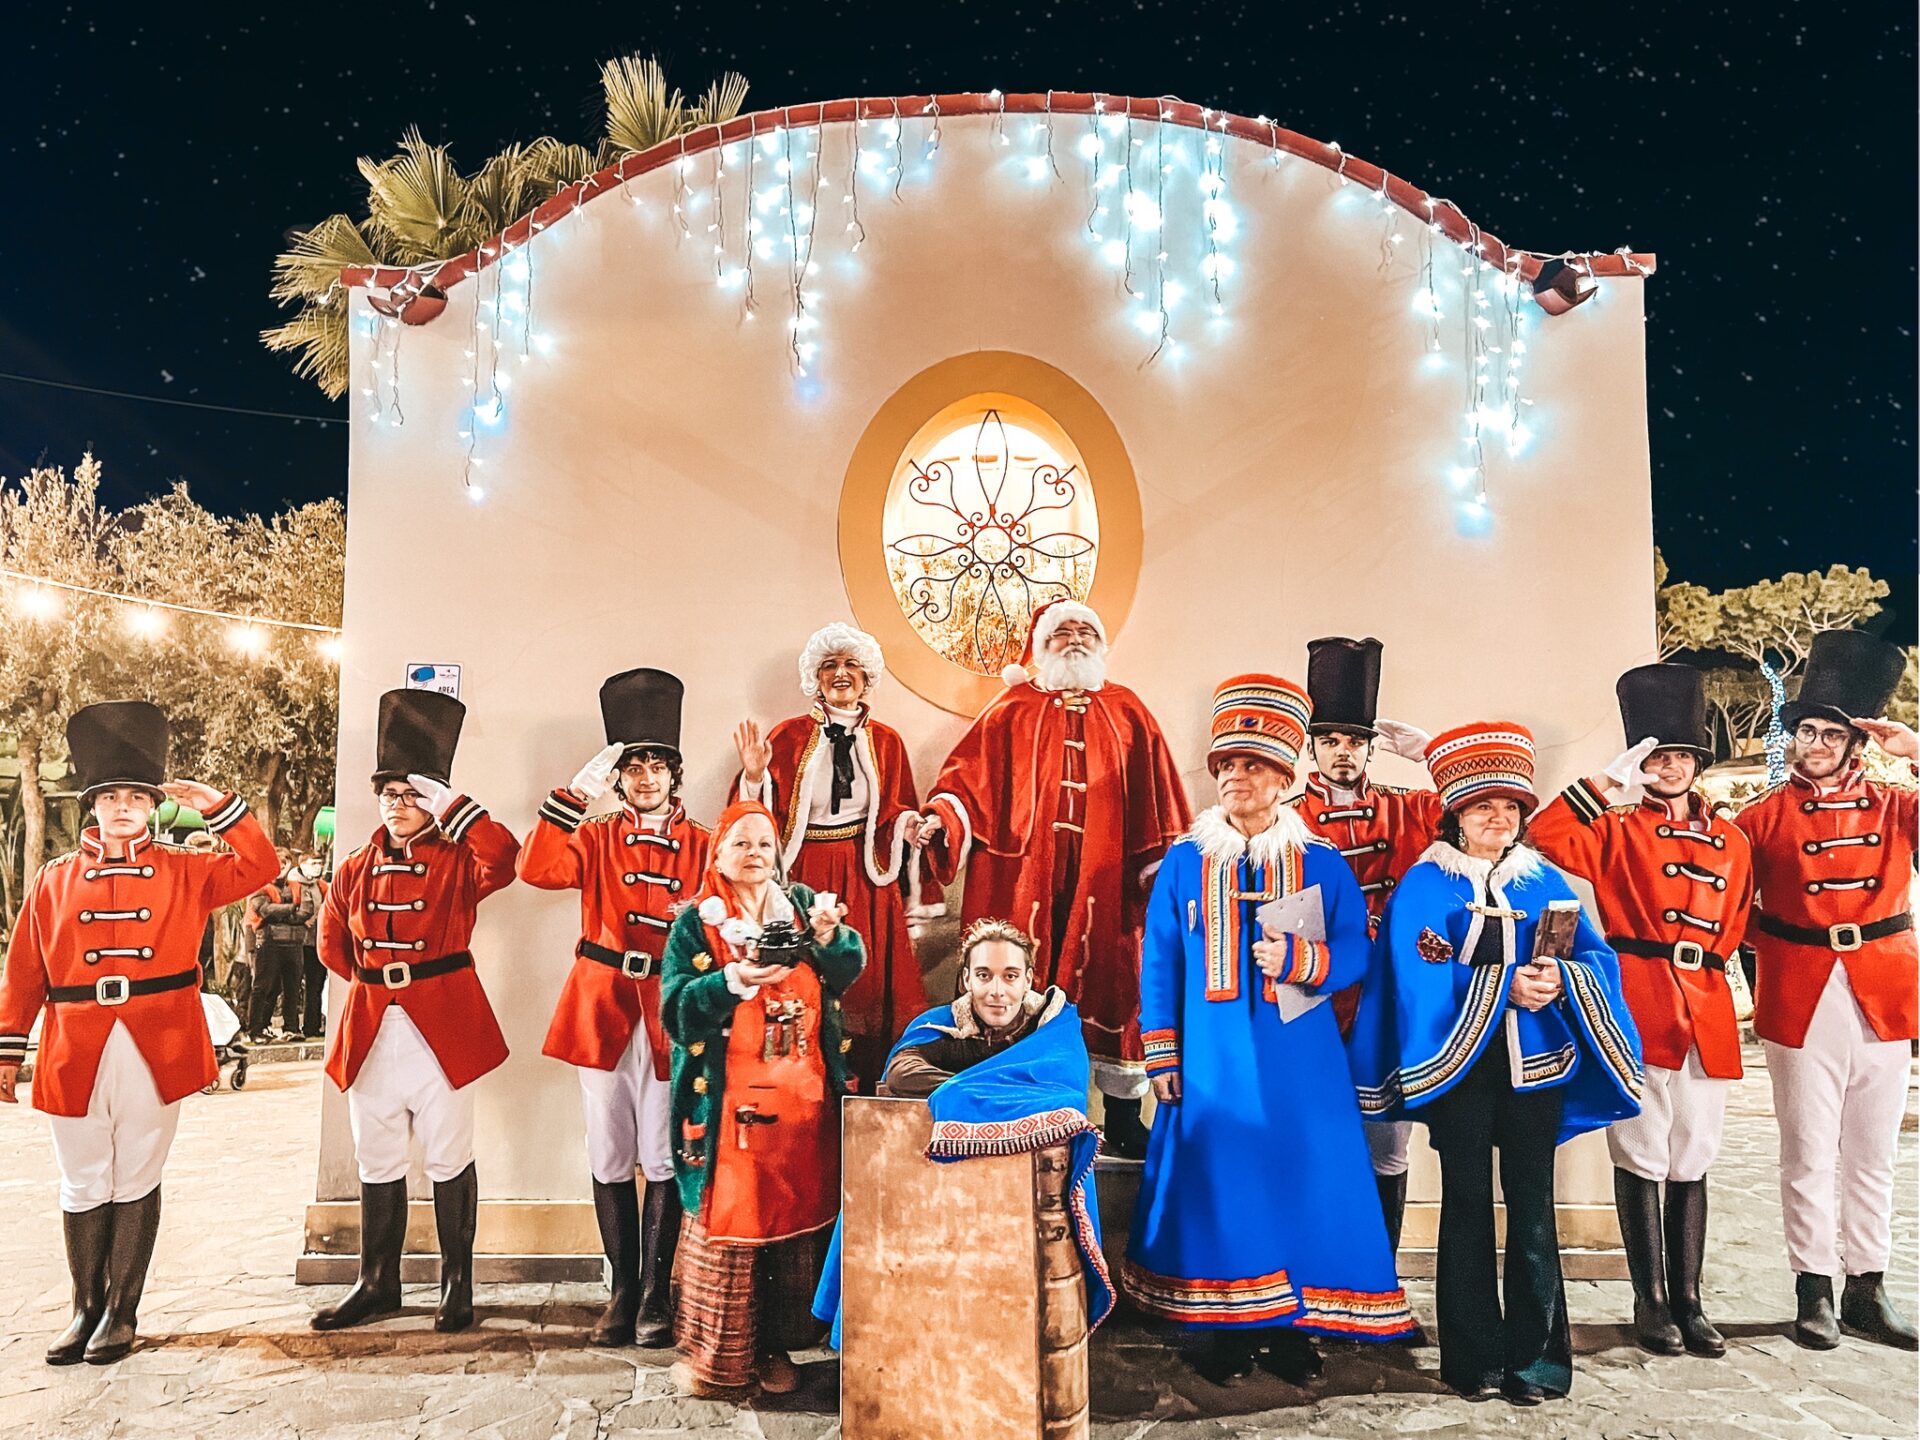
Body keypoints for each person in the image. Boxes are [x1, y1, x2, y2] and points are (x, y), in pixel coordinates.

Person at [1122, 675, 1416, 1387]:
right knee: (1221, 1189)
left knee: (1303, 1184)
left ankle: (1293, 1327)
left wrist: (1301, 959)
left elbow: (1356, 951)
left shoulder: (1321, 863)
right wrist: (1161, 1052)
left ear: (1284, 777)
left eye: (1251, 766)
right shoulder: (1186, 863)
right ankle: (1221, 1328)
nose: (1235, 778)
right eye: (1226, 766)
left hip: (1302, 1060)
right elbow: (1157, 959)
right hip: (1212, 1060)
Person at [1349, 722, 1642, 1405]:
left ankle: (1536, 1363)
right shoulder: (1425, 884)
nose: (1497, 818)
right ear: (1456, 812)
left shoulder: (1544, 878)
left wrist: (1559, 981)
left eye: (1510, 808)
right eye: (1483, 807)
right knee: (1468, 1205)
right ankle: (1473, 1360)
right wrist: (1500, 985)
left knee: (1535, 1210)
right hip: (1461, 1072)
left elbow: (1596, 956)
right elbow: (1414, 971)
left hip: (1535, 1068)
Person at [0, 701, 277, 1364]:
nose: (122, 807)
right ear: (92, 805)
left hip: (156, 1042)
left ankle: (122, 1312)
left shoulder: (188, 869)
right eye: (110, 797)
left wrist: (220, 806)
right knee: (82, 1176)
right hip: (75, 1042)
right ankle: (83, 1309)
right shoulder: (53, 880)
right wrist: (8, 1048)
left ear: (152, 806)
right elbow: (23, 972)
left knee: (137, 1174)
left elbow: (260, 866)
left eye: (135, 797)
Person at [1530, 663, 1753, 1357]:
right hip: (1638, 999)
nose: (1670, 767)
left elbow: (1739, 919)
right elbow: (1545, 834)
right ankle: (1650, 1299)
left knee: (1694, 1154)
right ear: (1643, 764)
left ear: (1696, 764)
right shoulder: (1617, 829)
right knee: (1642, 1150)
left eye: (1680, 756)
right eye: (1657, 757)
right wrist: (1603, 782)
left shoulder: (1735, 840)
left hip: (1707, 1006)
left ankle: (1690, 1300)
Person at [914, 599, 1192, 1156]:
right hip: (1022, 877)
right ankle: (1014, 1101)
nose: (1074, 639)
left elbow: (1160, 798)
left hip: (1105, 879)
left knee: (1114, 983)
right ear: (1041, 645)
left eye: (1086, 630)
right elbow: (965, 782)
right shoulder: (1010, 708)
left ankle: (1120, 1111)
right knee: (1014, 976)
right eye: (1061, 631)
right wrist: (942, 820)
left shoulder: (1129, 709)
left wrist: (1163, 874)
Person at [309, 690, 521, 1334]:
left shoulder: (460, 857)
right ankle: (378, 1282)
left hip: (444, 1024)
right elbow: (332, 946)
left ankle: (458, 1282)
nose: (401, 805)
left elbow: (507, 858)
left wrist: (454, 806)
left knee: (449, 1153)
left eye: (414, 794)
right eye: (392, 794)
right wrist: (384, 985)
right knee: (376, 1155)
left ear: (434, 800)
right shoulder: (351, 867)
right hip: (373, 1024)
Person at [1730, 630, 1917, 1350]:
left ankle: (1867, 1285)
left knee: (1872, 1153)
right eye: (1804, 730)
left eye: (1827, 733)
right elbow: (1729, 907)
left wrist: (1916, 750)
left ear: (1855, 743)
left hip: (1884, 991)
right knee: (1808, 1151)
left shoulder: (1898, 806)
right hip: (1800, 992)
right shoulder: (1761, 817)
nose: (1811, 742)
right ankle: (1814, 1288)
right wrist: (1772, 946)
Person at [812, 917, 1115, 1347]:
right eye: (984, 976)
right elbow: (901, 1073)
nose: (997, 991)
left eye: (1010, 976)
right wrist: (985, 1090)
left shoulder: (1054, 1031)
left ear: (1028, 978)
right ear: (965, 979)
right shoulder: (942, 1024)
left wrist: (966, 1095)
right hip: (947, 1198)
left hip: (1022, 1206)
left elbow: (1059, 1101)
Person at [519, 667, 710, 1347]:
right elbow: (535, 869)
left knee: (661, 1156)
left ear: (674, 774)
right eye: (634, 766)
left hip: (668, 1012)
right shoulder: (595, 835)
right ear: (620, 776)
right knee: (608, 1153)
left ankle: (658, 1294)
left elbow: (729, 918)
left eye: (659, 764)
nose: (648, 777)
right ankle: (622, 1292)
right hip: (601, 1008)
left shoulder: (707, 844)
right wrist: (576, 790)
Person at [660, 800, 863, 1398]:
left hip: (802, 1104)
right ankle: (718, 1362)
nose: (755, 855)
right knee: (732, 1223)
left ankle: (775, 1344)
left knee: (791, 1223)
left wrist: (830, 938)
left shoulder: (801, 907)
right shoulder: (695, 923)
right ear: (718, 853)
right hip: (729, 1110)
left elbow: (848, 969)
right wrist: (729, 982)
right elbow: (675, 1012)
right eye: (741, 844)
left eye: (765, 845)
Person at [1289, 635, 1443, 1254]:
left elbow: (1482, 802)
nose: (1343, 752)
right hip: (1314, 994)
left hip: (1390, 995)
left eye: (1354, 740)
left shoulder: (1409, 811)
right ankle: (1320, 1278)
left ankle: (1381, 1284)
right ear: (1312, 747)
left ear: (1371, 747)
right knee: (1316, 1135)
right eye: (1330, 740)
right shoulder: (1286, 818)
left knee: (1389, 1143)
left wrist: (1431, 752)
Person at [732, 624, 926, 1087]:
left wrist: (908, 827)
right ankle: (806, 1083)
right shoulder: (788, 735)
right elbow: (755, 816)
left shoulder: (887, 741)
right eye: (830, 666)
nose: (841, 674)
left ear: (867, 676)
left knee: (866, 983)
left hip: (865, 877)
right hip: (806, 873)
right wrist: (755, 776)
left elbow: (895, 809)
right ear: (815, 679)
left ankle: (864, 1086)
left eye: (851, 664)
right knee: (806, 976)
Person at [247, 849, 317, 1041]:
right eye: (278, 861)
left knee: (293, 987)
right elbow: (264, 910)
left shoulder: (297, 886)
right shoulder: (261, 885)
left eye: (285, 862)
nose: (281, 866)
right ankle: (256, 1030)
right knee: (263, 987)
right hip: (269, 942)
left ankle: (291, 1028)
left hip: (294, 943)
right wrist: (291, 909)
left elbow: (307, 911)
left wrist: (282, 913)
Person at [294, 850, 330, 1039]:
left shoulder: (321, 886)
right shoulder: (292, 883)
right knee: (291, 985)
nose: (318, 867)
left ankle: (312, 1025)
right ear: (302, 864)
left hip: (315, 941)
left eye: (319, 863)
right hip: (296, 940)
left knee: (315, 985)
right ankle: (290, 1026)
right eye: (313, 863)